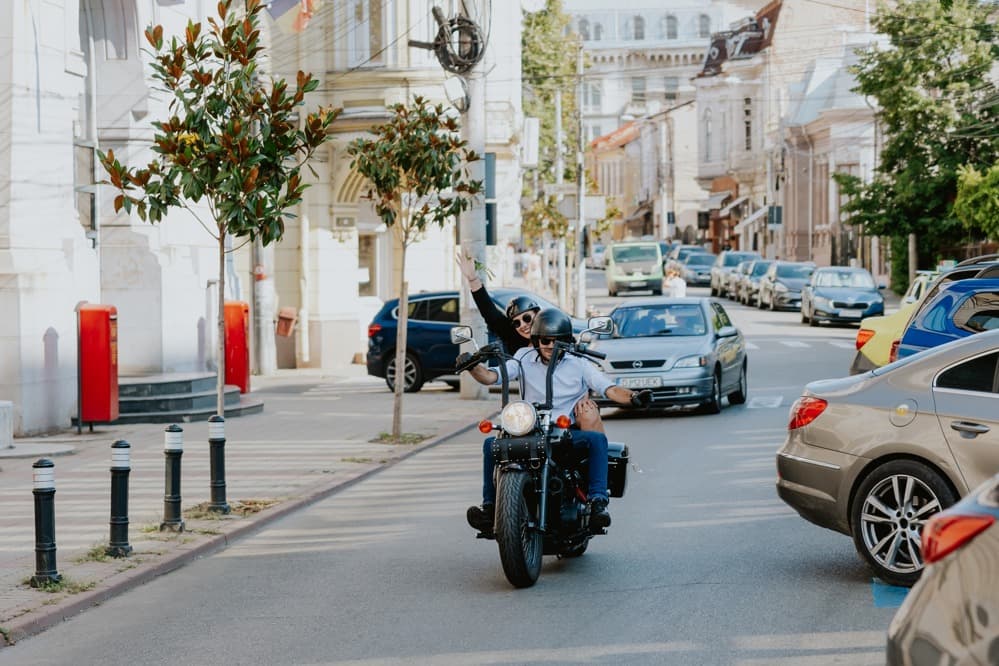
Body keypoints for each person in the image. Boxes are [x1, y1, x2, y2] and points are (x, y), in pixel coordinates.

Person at [462, 308, 651, 536]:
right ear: (536, 340)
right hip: (530, 430)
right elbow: (491, 376)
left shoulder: (579, 363)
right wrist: (472, 366)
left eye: (557, 340)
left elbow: (608, 388)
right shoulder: (523, 357)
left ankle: (598, 503)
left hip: (564, 432)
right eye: (545, 340)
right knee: (490, 444)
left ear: (567, 340)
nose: (551, 345)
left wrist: (633, 397)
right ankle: (489, 510)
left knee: (596, 440)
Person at [458, 252, 605, 433]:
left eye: (527, 318)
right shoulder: (518, 346)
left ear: (539, 315)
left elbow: (581, 368)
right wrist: (473, 280)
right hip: (534, 410)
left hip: (570, 407)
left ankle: (599, 458)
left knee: (588, 421)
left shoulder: (558, 333)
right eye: (517, 322)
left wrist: (585, 396)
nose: (523, 325)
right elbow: (490, 313)